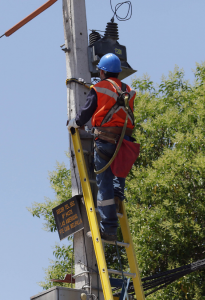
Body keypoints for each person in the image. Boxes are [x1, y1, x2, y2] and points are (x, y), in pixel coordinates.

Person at [67, 53, 136, 241]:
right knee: (118, 174)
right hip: (125, 141)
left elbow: (86, 112)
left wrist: (74, 122)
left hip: (105, 140)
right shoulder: (128, 89)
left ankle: (109, 230)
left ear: (103, 71)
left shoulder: (99, 88)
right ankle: (117, 195)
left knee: (103, 183)